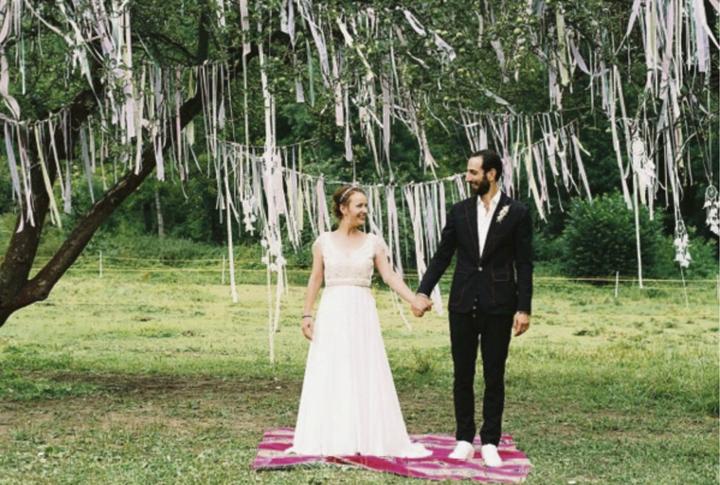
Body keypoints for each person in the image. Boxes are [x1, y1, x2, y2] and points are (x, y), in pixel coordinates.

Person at [286, 184, 431, 458]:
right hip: (333, 310)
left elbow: (389, 276)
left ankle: (367, 433)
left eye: (366, 205)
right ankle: (332, 434)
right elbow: (315, 278)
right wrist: (307, 314)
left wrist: (413, 299)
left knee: (363, 368)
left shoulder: (373, 242)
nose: (365, 210)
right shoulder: (323, 242)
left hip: (362, 312)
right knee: (332, 368)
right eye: (359, 205)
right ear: (343, 208)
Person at [410, 149, 533, 467]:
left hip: (500, 304)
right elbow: (442, 255)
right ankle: (464, 439)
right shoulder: (460, 211)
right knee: (462, 374)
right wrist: (423, 291)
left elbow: (524, 263)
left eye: (473, 173)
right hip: (462, 302)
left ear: (491, 174)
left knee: (494, 374)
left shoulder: (517, 212)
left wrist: (524, 308)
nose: (468, 178)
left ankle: (490, 440)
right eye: (468, 172)